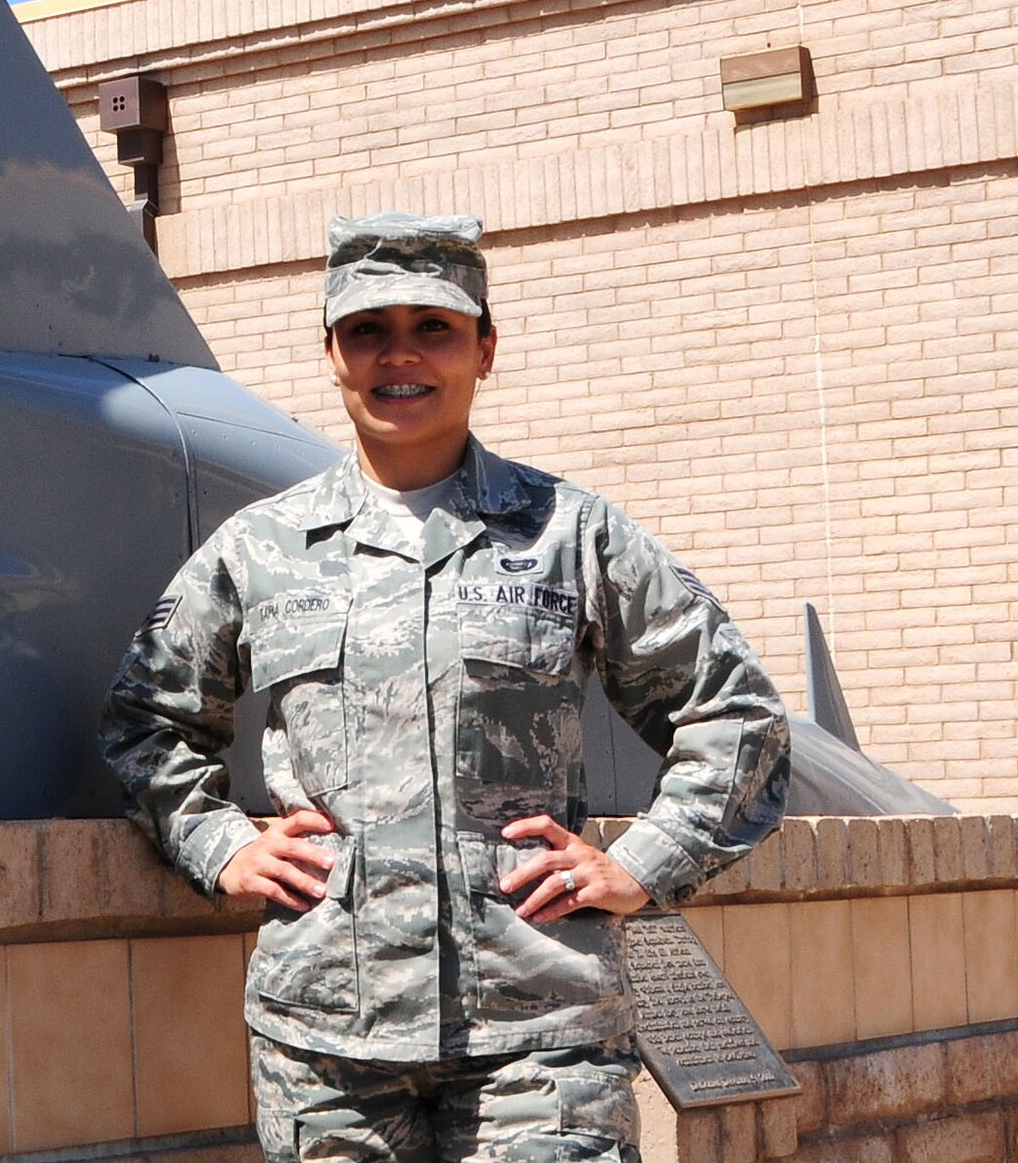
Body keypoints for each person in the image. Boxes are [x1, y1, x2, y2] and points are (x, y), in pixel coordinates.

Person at [99, 213, 790, 1163]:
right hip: (328, 1040)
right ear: (333, 353)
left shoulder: (568, 534)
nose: (400, 356)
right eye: (368, 330)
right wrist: (221, 843)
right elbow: (146, 718)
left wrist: (643, 861)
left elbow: (735, 712)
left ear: (485, 348)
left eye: (434, 327)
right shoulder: (262, 549)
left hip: (539, 1037)